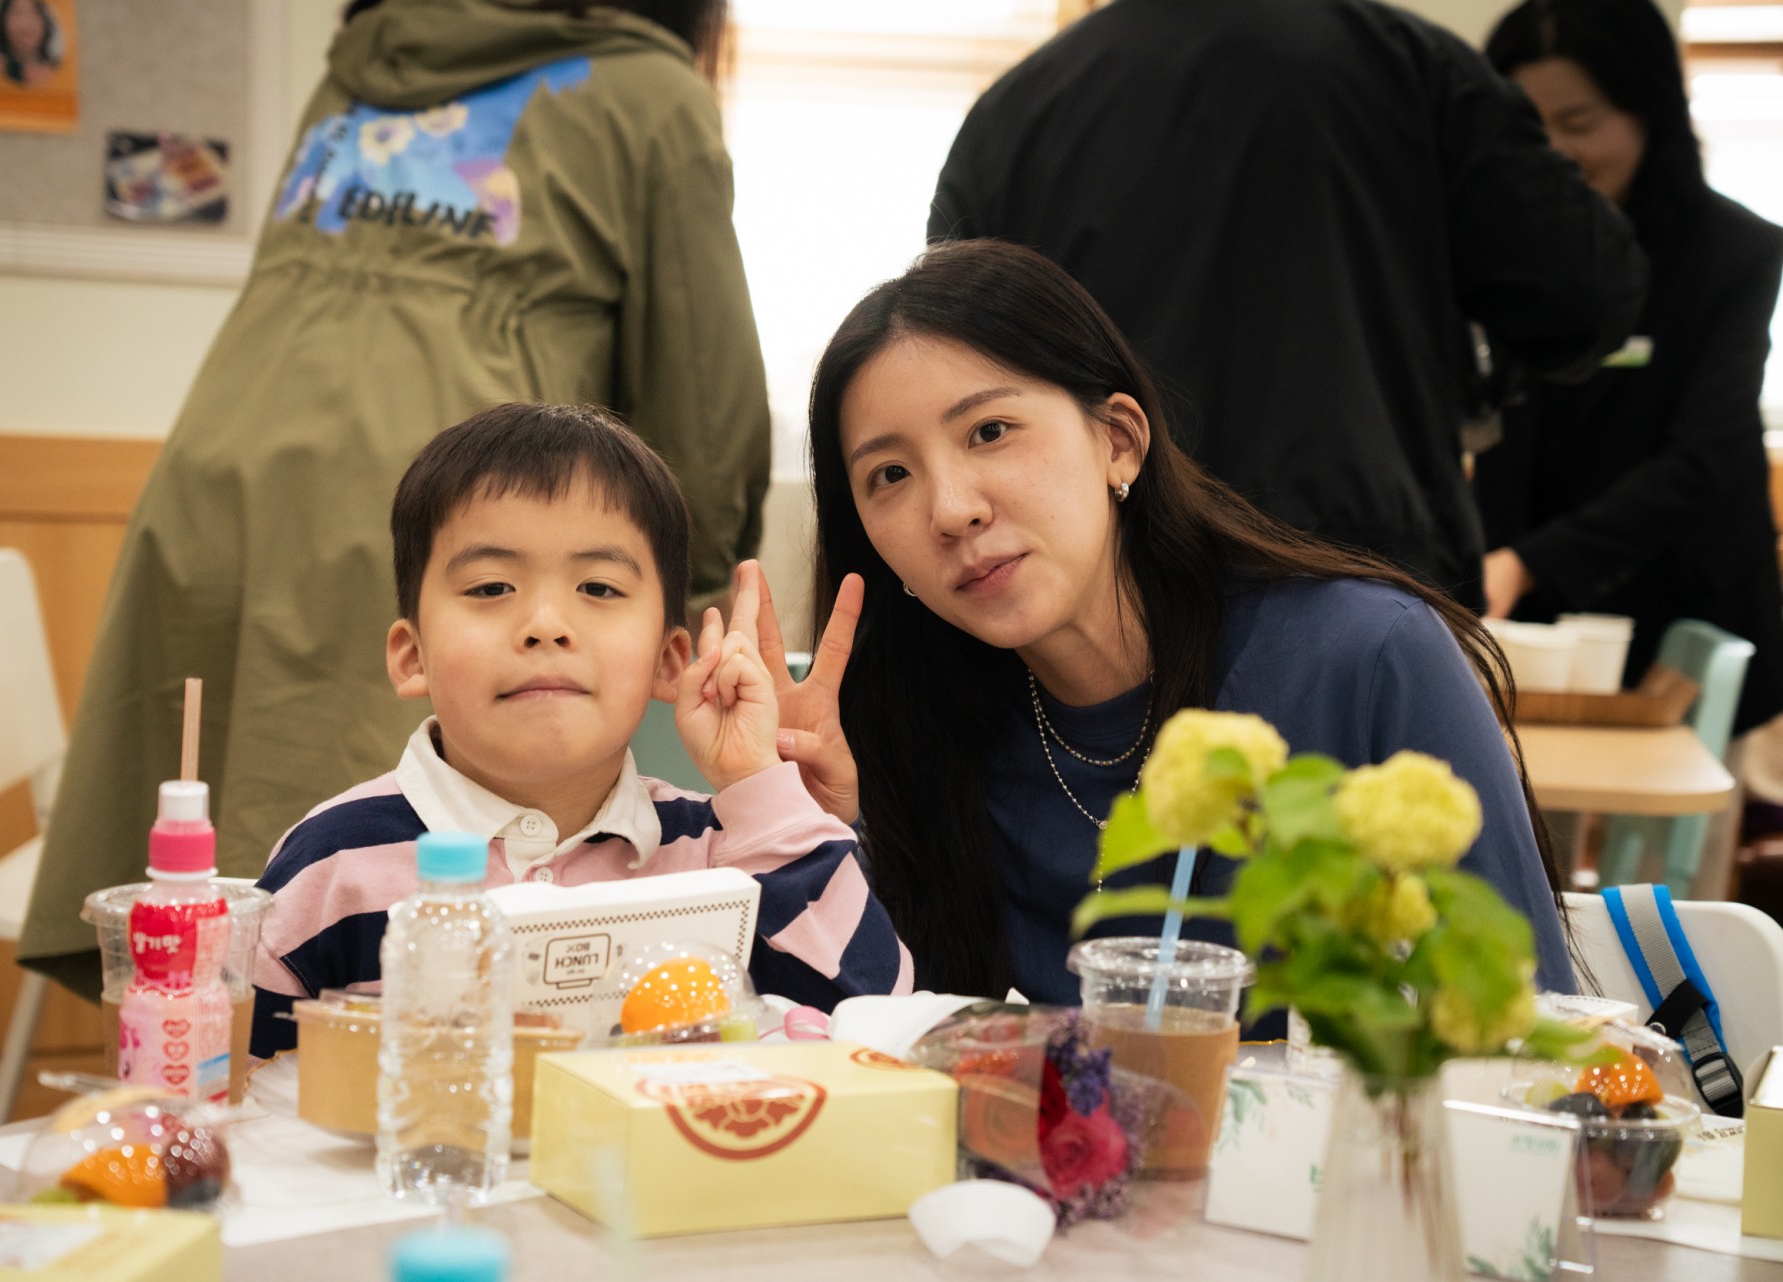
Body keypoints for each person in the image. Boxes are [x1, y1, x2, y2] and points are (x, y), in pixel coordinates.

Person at [21, 0, 772, 995]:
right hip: (440, 495)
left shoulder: (366, 61)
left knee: (215, 917)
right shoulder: (653, 96)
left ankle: (217, 1071)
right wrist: (680, 598)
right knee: (385, 894)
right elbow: (707, 411)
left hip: (219, 479)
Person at [758, 239, 1573, 1010]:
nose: (951, 509)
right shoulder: (906, 733)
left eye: (990, 432)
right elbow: (865, 1062)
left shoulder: (1366, 659)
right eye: (890, 475)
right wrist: (812, 829)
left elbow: (1535, 1033)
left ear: (1118, 441)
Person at [925, 0, 1647, 607]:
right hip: (1360, 566)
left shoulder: (1013, 116)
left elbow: (956, 380)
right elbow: (1588, 297)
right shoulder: (1404, 64)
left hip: (1120, 586)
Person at [250, 403, 908, 1057]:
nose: (546, 625)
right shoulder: (332, 865)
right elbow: (235, 1086)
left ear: (668, 662)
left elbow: (873, 1021)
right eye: (490, 588)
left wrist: (761, 786)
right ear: (411, 655)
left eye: (597, 588)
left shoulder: (721, 852)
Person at [1476, 0, 1783, 737]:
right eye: (1529, 126)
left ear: (1650, 112)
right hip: (1536, 624)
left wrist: (1525, 562)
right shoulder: (1506, 252)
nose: (1555, 152)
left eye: (1579, 123)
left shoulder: (1732, 253)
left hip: (1687, 602)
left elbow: (1705, 455)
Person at [0, 0, 61, 86]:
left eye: (35, 13)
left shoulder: (57, 68)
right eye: (18, 13)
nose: (26, 22)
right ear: (2, 21)